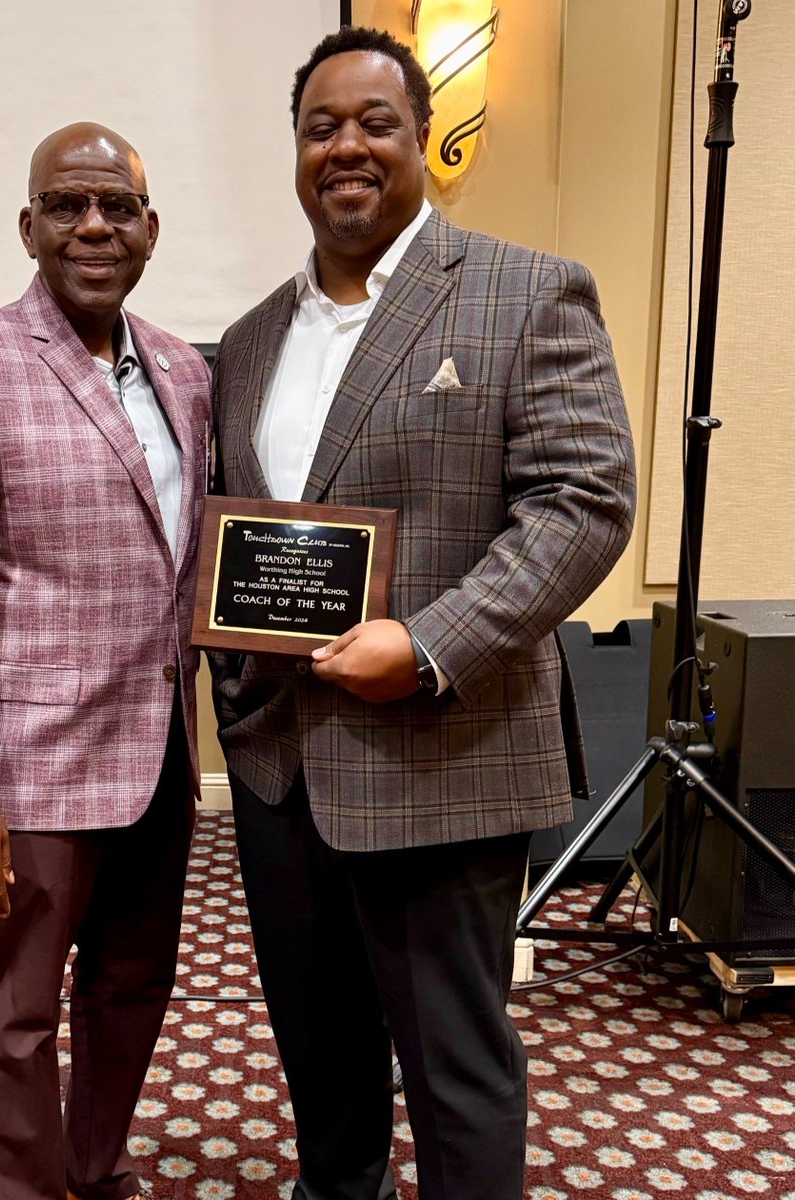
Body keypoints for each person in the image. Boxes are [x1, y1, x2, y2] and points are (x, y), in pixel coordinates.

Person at [209, 27, 636, 1200]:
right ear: (295, 152)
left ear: (422, 140)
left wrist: (432, 643)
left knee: (457, 1070)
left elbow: (583, 502)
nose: (345, 147)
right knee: (323, 1065)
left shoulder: (523, 289)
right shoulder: (247, 343)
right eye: (320, 127)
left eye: (374, 122)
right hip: (280, 769)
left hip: (444, 753)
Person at [0, 123, 211, 1200]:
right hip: (28, 773)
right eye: (67, 205)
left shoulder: (182, 371)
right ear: (29, 226)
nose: (94, 225)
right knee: (15, 1015)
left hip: (160, 754)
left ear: (151, 230)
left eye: (116, 207)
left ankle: (92, 1169)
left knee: (130, 990)